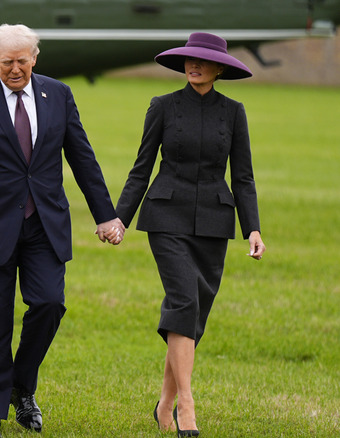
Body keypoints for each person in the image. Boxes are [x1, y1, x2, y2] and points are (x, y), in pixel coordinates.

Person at [0, 24, 125, 437]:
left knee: (49, 304)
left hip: (44, 224)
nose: (15, 69)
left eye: (22, 61)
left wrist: (105, 215)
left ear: (35, 58)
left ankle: (20, 386)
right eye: (7, 62)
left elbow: (82, 157)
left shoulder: (58, 94)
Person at [115, 32, 266, 437]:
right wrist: (120, 219)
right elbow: (141, 168)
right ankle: (187, 403)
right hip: (166, 217)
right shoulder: (162, 106)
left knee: (193, 314)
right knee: (184, 300)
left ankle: (164, 403)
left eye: (202, 61)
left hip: (215, 223)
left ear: (219, 69)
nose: (194, 65)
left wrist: (252, 228)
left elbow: (244, 177)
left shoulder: (234, 112)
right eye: (189, 59)